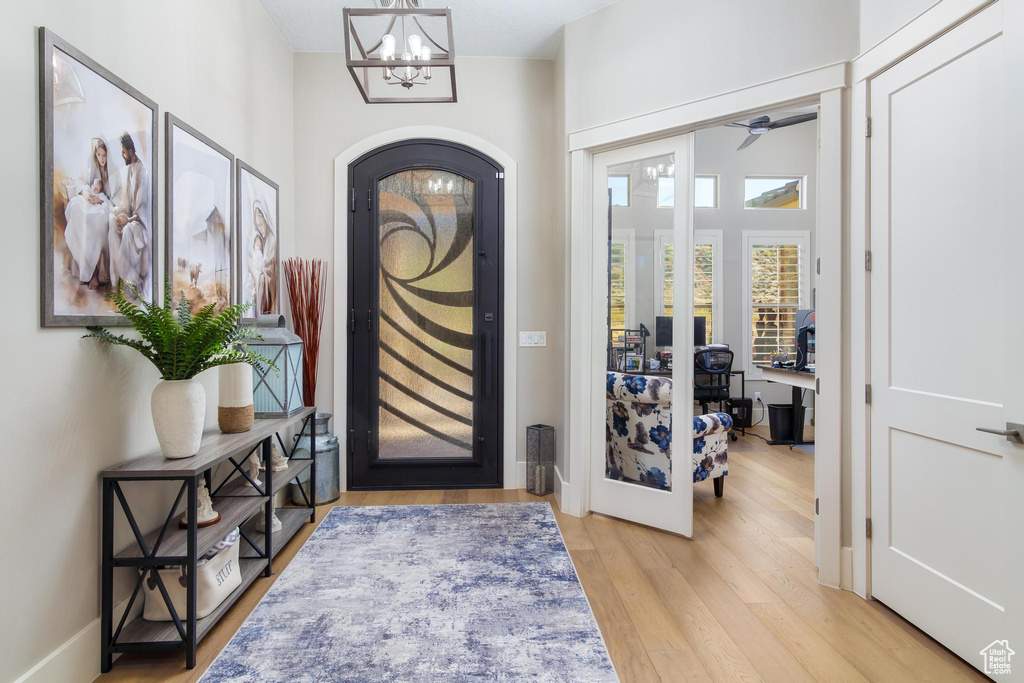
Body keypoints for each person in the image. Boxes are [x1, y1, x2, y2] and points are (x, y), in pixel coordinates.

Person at [64, 138, 116, 290]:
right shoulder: (90, 165)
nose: (101, 159)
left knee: (98, 221)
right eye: (98, 155)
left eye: (104, 155)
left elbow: (110, 194)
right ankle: (87, 269)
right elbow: (81, 182)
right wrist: (87, 195)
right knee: (75, 208)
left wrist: (98, 199)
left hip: (102, 201)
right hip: (89, 197)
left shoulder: (112, 171)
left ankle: (94, 272)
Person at [107, 132, 151, 301]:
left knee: (129, 230)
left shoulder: (142, 172)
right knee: (112, 222)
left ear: (131, 151)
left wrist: (129, 219)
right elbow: (127, 203)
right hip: (131, 218)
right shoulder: (129, 170)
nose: (122, 155)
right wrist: (118, 211)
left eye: (124, 151)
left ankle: (129, 285)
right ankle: (114, 279)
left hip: (140, 224)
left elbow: (142, 210)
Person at [247, 199, 277, 314]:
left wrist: (258, 273)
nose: (260, 228)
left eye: (261, 224)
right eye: (257, 226)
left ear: (266, 220)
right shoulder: (260, 241)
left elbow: (269, 270)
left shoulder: (271, 241)